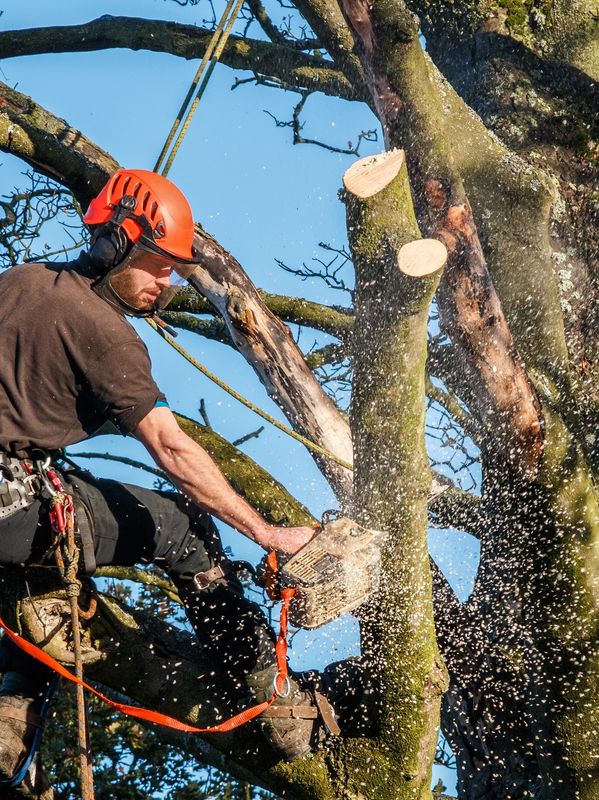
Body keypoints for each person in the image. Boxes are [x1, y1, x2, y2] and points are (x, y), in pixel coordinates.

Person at [0, 169, 336, 797]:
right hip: (8, 503)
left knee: (40, 608)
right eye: (157, 265)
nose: (167, 281)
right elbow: (171, 447)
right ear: (119, 242)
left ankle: (10, 734)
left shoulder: (20, 282)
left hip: (10, 509)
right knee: (182, 527)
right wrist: (266, 533)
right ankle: (272, 696)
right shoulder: (103, 329)